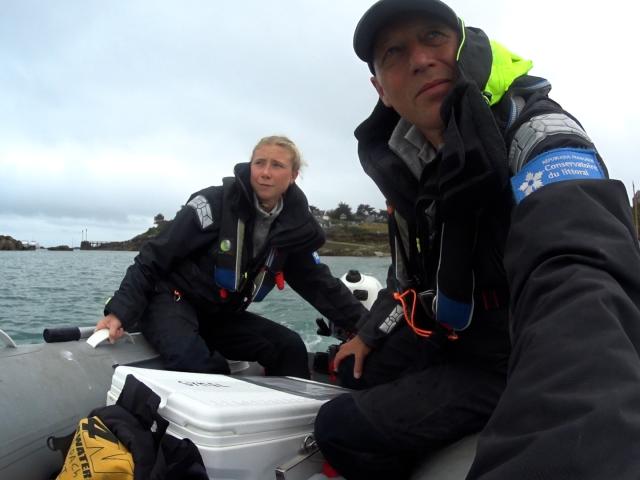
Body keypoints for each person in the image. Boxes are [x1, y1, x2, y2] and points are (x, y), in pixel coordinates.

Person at [314, 1, 640, 479]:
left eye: (433, 37)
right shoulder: (410, 164)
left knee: (339, 426)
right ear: (380, 89)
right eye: (393, 53)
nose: (420, 59)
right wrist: (365, 336)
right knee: (347, 373)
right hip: (453, 336)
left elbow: (578, 262)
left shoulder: (537, 132)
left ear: (463, 48)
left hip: (515, 354)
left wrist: (571, 431)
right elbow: (406, 278)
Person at [95, 135, 367, 379]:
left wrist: (367, 329)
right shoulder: (213, 204)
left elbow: (319, 284)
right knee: (198, 365)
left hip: (219, 314)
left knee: (289, 347)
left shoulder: (294, 227)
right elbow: (153, 256)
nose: (265, 173)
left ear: (293, 175)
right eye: (259, 163)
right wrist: (119, 311)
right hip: (171, 299)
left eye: (277, 165)